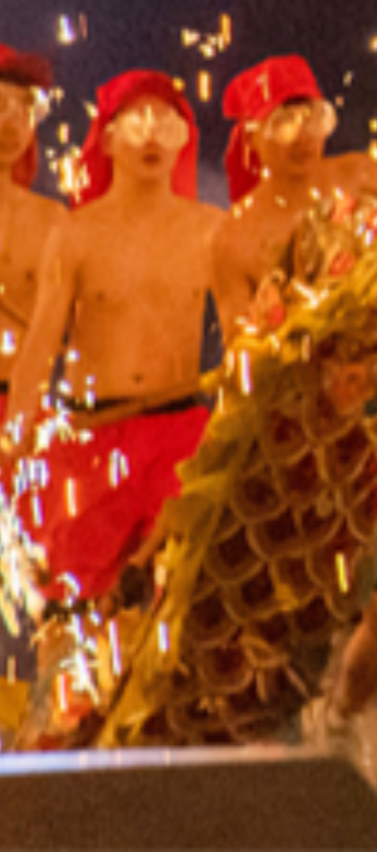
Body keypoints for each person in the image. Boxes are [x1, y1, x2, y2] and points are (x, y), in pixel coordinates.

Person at [210, 55, 377, 771]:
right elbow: (243, 352)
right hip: (298, 442)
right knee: (297, 613)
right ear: (253, 136)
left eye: (313, 116)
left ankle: (344, 713)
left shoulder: (364, 177)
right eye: (283, 120)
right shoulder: (235, 237)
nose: (303, 136)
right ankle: (286, 745)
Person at [4, 71, 223, 744]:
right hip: (91, 437)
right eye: (137, 119)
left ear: (185, 135)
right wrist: (17, 432)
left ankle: (172, 765)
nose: (152, 134)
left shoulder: (213, 229)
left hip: (183, 429)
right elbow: (41, 343)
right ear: (108, 137)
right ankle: (61, 767)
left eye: (167, 119)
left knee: (183, 601)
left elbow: (251, 333)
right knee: (71, 616)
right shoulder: (75, 232)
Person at [0, 44, 67, 420]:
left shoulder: (51, 221)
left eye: (24, 111)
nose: (11, 125)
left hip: (23, 412)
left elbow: (53, 332)